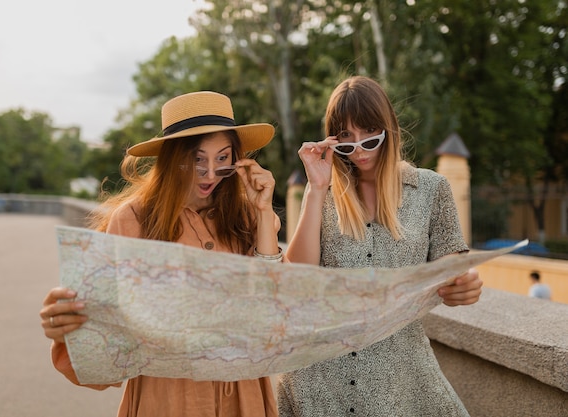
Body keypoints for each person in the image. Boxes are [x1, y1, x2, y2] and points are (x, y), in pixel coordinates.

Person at [39, 91, 282, 417]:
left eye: (222, 159)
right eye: (197, 160)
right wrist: (68, 325)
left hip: (244, 395)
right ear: (171, 159)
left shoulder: (248, 215)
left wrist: (265, 214)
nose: (210, 174)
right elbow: (104, 334)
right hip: (166, 397)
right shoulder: (132, 219)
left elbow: (280, 309)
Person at [276, 75, 483, 416]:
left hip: (401, 380)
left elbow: (453, 269)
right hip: (319, 382)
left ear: (389, 128)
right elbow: (297, 278)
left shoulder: (432, 190)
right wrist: (315, 187)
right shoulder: (323, 194)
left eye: (369, 133)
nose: (358, 149)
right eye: (345, 137)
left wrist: (468, 281)